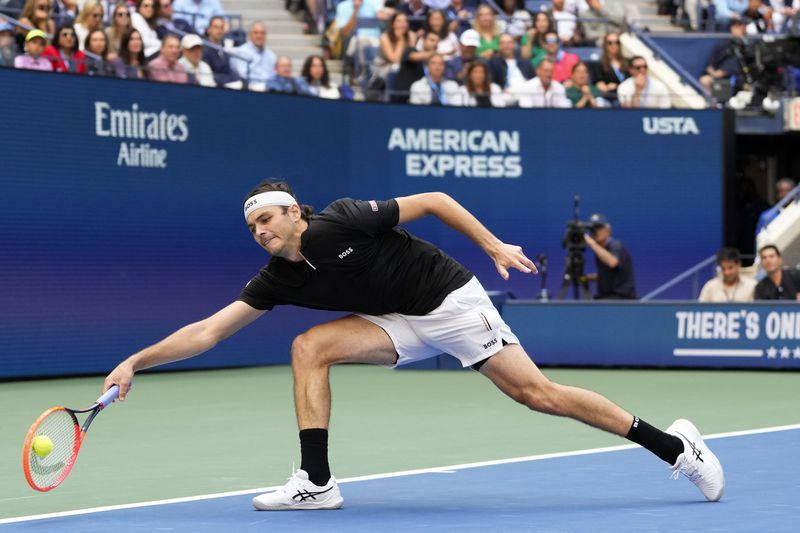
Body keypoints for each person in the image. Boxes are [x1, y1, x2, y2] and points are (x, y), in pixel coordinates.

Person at [102, 180, 725, 511]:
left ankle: (675, 447)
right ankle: (316, 482)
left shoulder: (342, 219)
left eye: (268, 218)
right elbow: (207, 331)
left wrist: (492, 245)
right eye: (252, 226)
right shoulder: (276, 278)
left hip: (452, 303)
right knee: (308, 346)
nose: (260, 231)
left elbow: (433, 201)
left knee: (538, 395)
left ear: (296, 213)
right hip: (397, 321)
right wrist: (135, 361)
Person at [584, 213, 637, 300]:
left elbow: (613, 263)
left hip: (622, 300)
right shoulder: (600, 249)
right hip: (606, 297)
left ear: (608, 230)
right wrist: (593, 277)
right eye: (592, 229)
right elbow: (614, 273)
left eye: (599, 227)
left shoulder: (616, 245)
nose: (595, 231)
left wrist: (591, 243)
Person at [487, 32, 535, 105]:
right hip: (504, 96)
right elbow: (491, 82)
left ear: (514, 44)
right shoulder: (494, 62)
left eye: (509, 42)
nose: (506, 46)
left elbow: (533, 80)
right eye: (503, 43)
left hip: (525, 95)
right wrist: (501, 90)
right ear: (499, 46)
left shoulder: (525, 62)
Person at [230, 22, 276, 90]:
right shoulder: (241, 52)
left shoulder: (272, 55)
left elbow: (275, 75)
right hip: (250, 89)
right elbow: (243, 75)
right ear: (249, 35)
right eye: (256, 33)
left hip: (269, 88)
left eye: (262, 33)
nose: (259, 36)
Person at [203, 15, 242, 88]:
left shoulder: (225, 46)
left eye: (221, 27)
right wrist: (229, 80)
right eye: (216, 27)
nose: (219, 30)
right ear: (209, 30)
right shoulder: (204, 49)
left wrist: (237, 79)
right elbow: (208, 75)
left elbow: (229, 70)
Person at [589, 31, 628, 101]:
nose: (614, 45)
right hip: (610, 97)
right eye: (610, 43)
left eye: (616, 42)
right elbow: (599, 83)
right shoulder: (600, 64)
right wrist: (607, 87)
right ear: (605, 45)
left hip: (627, 96)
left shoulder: (627, 62)